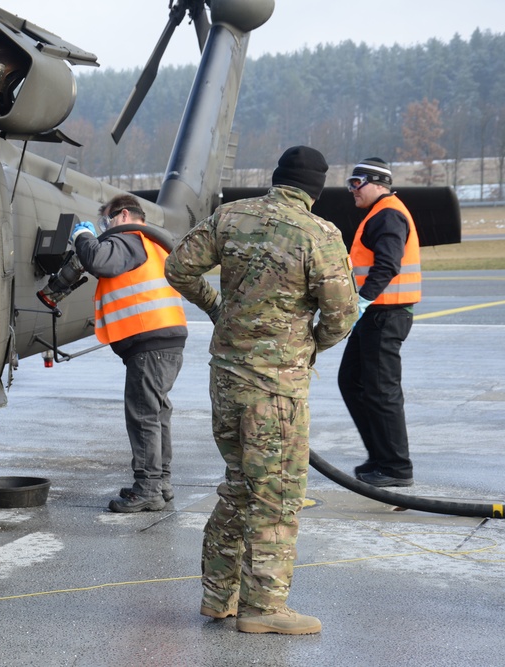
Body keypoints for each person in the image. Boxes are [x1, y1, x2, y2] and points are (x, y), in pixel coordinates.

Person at [164, 146, 358, 634]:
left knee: (238, 484)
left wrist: (217, 308)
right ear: (314, 189)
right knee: (276, 494)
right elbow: (341, 314)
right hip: (275, 388)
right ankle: (264, 608)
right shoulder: (319, 233)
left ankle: (218, 594)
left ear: (277, 179)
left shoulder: (230, 216)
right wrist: (307, 346)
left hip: (226, 378)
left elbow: (178, 269)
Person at [71, 194, 188, 513]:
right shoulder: (152, 245)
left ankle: (148, 488)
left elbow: (98, 262)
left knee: (143, 416)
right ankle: (159, 482)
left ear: (123, 216)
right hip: (166, 341)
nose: (104, 228)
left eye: (106, 222)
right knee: (157, 414)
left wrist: (83, 236)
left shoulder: (128, 239)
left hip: (150, 343)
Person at [338, 158, 421, 487]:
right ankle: (380, 457)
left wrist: (362, 300)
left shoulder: (388, 213)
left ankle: (396, 467)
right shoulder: (377, 213)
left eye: (356, 183)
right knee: (353, 382)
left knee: (381, 391)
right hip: (376, 315)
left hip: (387, 314)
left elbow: (388, 264)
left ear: (377, 183)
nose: (351, 190)